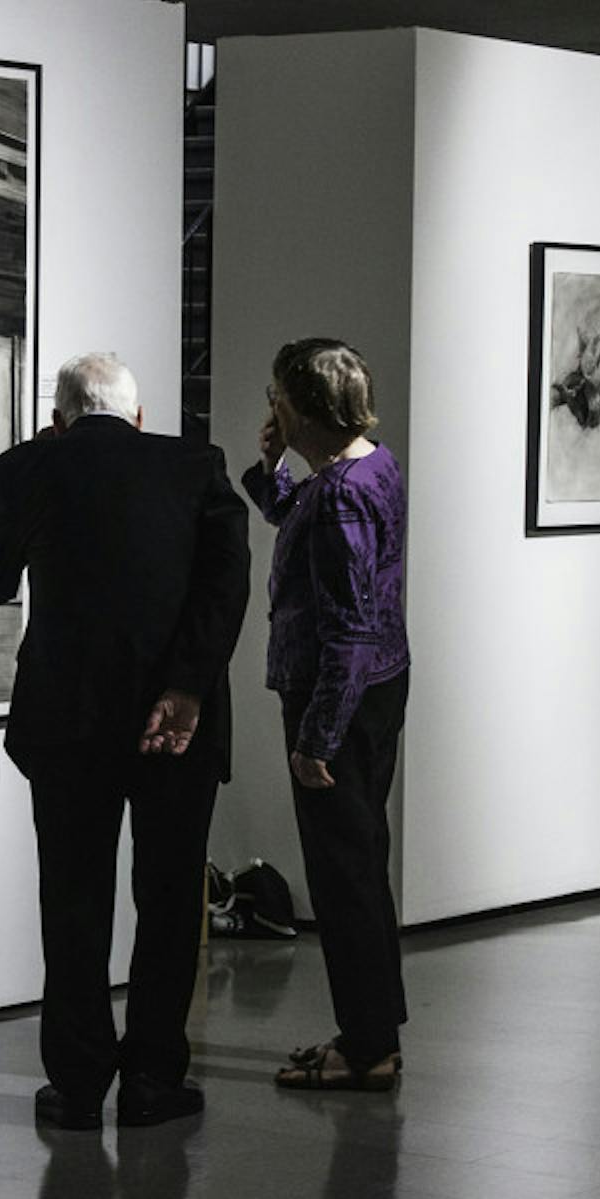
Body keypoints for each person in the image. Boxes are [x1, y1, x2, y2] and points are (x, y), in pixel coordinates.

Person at [0, 352, 250, 1129]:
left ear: (58, 420)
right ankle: (154, 1079)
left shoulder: (29, 467)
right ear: (138, 416)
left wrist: (33, 477)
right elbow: (225, 589)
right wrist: (185, 688)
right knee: (169, 901)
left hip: (69, 722)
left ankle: (79, 1083)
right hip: (177, 722)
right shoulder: (197, 466)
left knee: (73, 901)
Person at [241, 338, 410, 1092]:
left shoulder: (342, 494)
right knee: (360, 867)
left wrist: (317, 740)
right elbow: (295, 515)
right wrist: (273, 465)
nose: (270, 407)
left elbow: (349, 629)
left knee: (345, 879)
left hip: (336, 699)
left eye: (276, 397)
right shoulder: (368, 467)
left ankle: (367, 1048)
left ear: (304, 408)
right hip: (372, 690)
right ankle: (373, 1034)